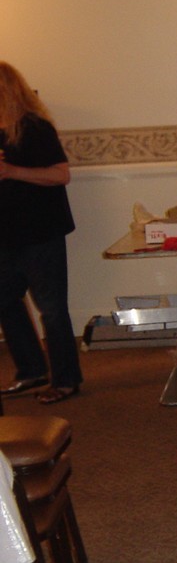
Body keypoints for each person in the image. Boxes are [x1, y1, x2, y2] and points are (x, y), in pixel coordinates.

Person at [0, 62, 82, 404]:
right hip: (5, 234)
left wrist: (11, 171)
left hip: (40, 232)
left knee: (52, 309)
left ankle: (66, 380)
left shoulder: (35, 128)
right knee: (4, 301)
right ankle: (32, 370)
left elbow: (61, 175)